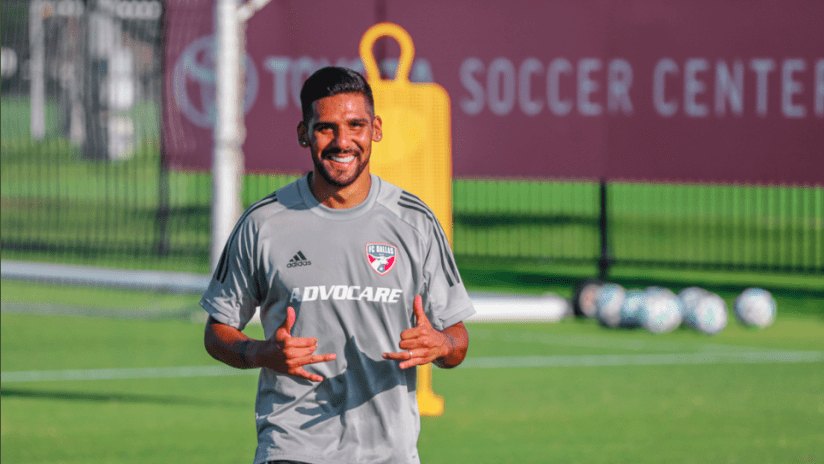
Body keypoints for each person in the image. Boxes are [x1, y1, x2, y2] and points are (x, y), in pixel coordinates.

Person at [200, 66, 475, 464]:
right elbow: (217, 332)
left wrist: (442, 344)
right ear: (303, 134)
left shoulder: (415, 222)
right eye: (326, 128)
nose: (342, 141)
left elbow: (458, 339)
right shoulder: (264, 222)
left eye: (355, 125)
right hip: (292, 449)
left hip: (389, 454)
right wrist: (262, 353)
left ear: (375, 129)